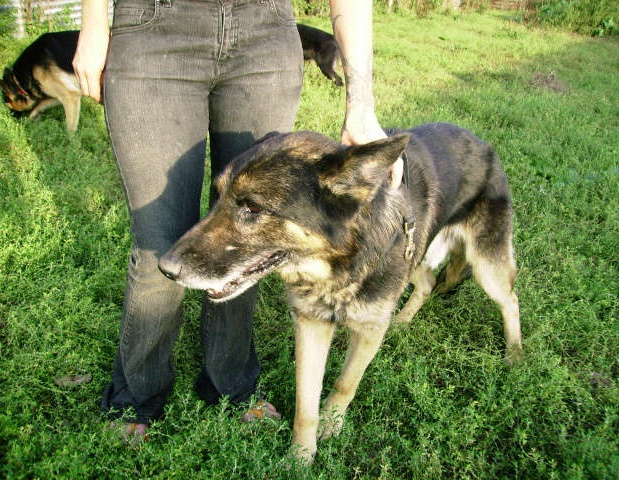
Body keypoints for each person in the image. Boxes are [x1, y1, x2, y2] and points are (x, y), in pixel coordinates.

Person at [74, 0, 404, 442]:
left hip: (263, 32)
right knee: (161, 245)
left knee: (258, 245)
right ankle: (137, 392)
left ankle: (230, 382)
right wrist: (94, 21)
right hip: (153, 26)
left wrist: (360, 100)